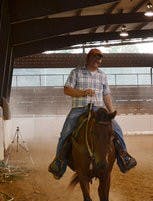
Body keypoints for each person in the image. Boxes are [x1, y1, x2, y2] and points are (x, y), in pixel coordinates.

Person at [48, 48, 137, 179]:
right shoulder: (76, 72)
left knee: (117, 129)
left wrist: (111, 111)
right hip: (79, 109)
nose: (98, 60)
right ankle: (59, 163)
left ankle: (124, 157)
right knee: (65, 132)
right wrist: (82, 93)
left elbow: (106, 94)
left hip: (98, 109)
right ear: (88, 58)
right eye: (95, 57)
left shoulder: (103, 75)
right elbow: (67, 90)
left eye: (100, 58)